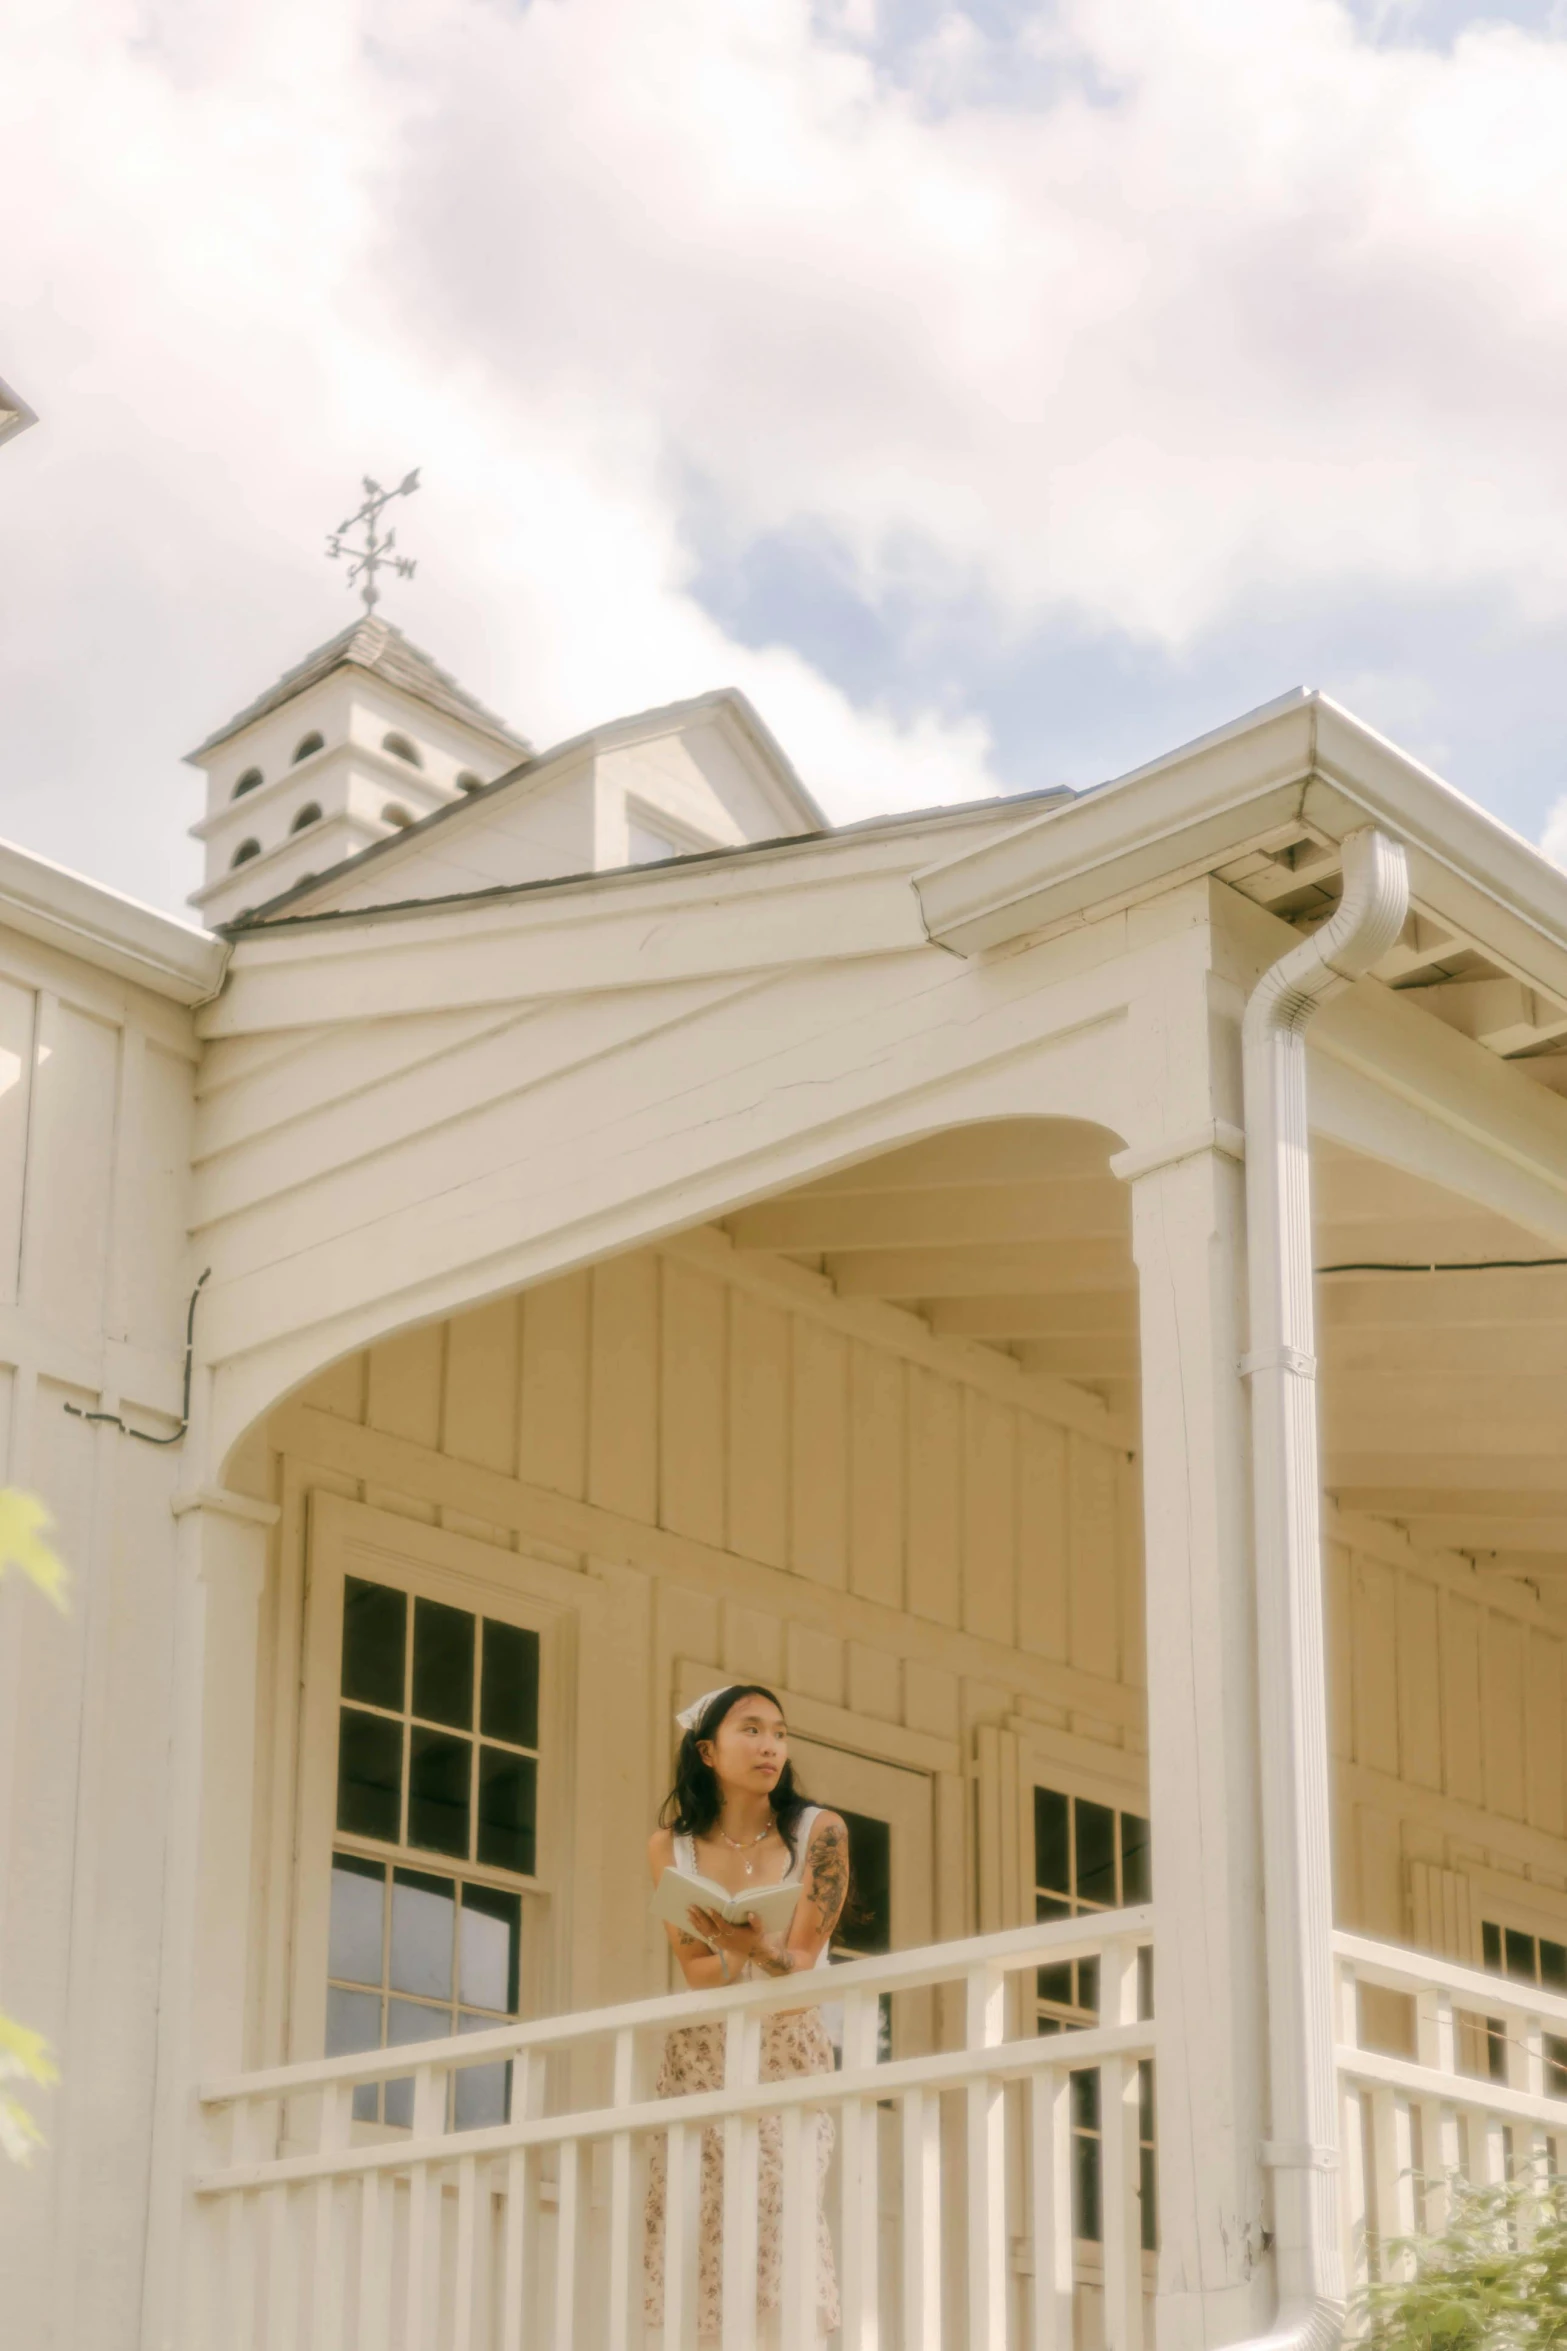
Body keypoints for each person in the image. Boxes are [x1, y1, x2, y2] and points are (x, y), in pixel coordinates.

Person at [642, 1683, 848, 2347]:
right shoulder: (668, 1847)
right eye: (751, 1729)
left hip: (789, 2045)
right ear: (707, 1749)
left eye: (779, 1732)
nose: (769, 1746)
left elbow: (804, 1957)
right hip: (702, 2054)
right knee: (695, 2223)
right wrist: (737, 1953)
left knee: (782, 2211)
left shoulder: (819, 1830)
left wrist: (751, 1946)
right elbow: (696, 1971)